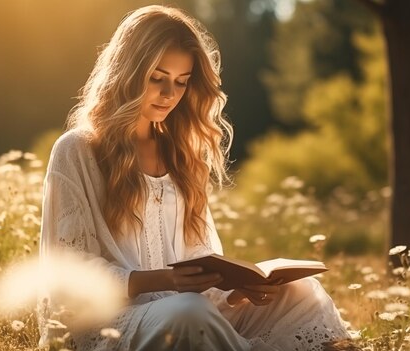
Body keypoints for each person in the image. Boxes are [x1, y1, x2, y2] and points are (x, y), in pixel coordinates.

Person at [38, 5, 352, 351]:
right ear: (127, 72)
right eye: (157, 78)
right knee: (190, 312)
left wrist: (235, 288)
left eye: (181, 82)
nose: (170, 94)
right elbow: (70, 271)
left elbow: (200, 256)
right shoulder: (77, 150)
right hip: (112, 320)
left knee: (301, 294)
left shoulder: (182, 153)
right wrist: (165, 280)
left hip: (190, 307)